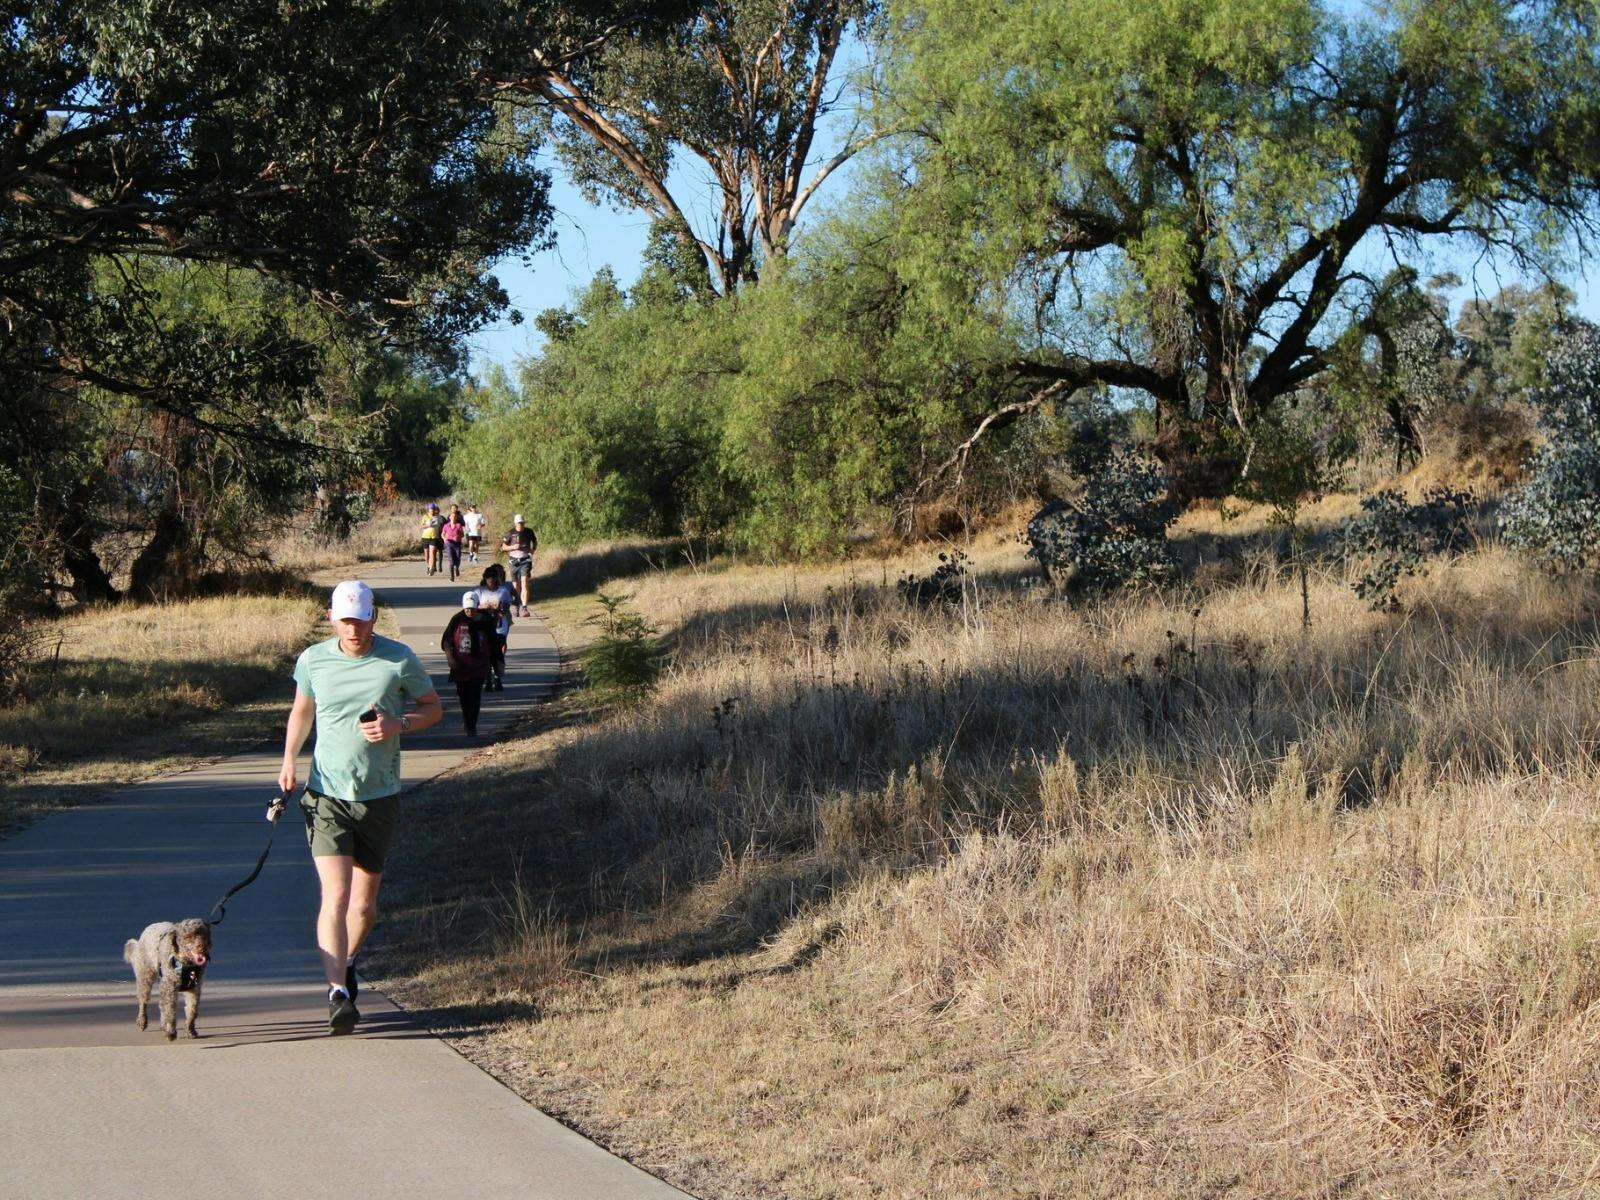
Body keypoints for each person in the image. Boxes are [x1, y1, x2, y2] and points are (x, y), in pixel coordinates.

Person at [277, 580, 443, 1034]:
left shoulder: (398, 659)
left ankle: (346, 962)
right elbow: (302, 711)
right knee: (336, 896)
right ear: (333, 618)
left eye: (361, 619)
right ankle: (337, 994)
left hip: (379, 796)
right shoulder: (313, 660)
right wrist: (289, 760)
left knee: (365, 909)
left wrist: (399, 723)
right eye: (345, 620)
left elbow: (433, 709)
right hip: (326, 795)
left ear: (373, 617)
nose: (354, 629)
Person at [441, 590, 494, 735]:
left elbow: (494, 643)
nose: (470, 611)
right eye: (467, 609)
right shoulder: (457, 619)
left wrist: (498, 664)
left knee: (475, 695)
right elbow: (446, 641)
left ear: (477, 606)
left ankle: (472, 726)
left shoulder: (486, 621)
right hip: (460, 666)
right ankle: (467, 720)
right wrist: (451, 659)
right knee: (463, 696)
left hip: (479, 665)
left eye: (472, 608)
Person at [474, 564, 515, 691]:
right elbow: (473, 607)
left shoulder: (503, 591)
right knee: (485, 653)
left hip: (499, 625)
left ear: (496, 578)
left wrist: (499, 607)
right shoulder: (479, 591)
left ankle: (498, 679)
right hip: (484, 625)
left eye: (493, 577)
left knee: (497, 653)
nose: (491, 579)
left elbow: (507, 606)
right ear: (485, 578)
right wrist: (485, 607)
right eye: (488, 577)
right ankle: (487, 680)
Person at [500, 513, 536, 618]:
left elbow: (534, 541)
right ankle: (516, 606)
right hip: (514, 562)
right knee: (516, 586)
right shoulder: (510, 533)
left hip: (525, 560)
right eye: (519, 523)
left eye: (522, 523)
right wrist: (513, 547)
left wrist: (533, 550)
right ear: (515, 523)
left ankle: (524, 608)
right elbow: (503, 547)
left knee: (524, 583)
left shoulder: (529, 532)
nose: (521, 525)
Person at [441, 503, 466, 582]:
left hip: (457, 544)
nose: (453, 517)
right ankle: (452, 576)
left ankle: (457, 568)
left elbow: (462, 534)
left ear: (456, 518)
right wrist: (444, 538)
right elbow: (442, 534)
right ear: (449, 517)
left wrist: (459, 537)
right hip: (448, 543)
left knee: (458, 558)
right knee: (451, 560)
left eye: (455, 517)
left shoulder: (459, 525)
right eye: (452, 516)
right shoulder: (446, 526)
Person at [418, 502, 444, 576]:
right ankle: (428, 565)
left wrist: (442, 531)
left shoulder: (438, 517)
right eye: (431, 509)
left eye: (433, 509)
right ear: (428, 509)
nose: (432, 510)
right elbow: (421, 526)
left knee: (432, 553)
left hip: (434, 537)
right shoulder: (425, 516)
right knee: (427, 555)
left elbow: (442, 526)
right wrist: (427, 525)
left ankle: (431, 568)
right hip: (425, 537)